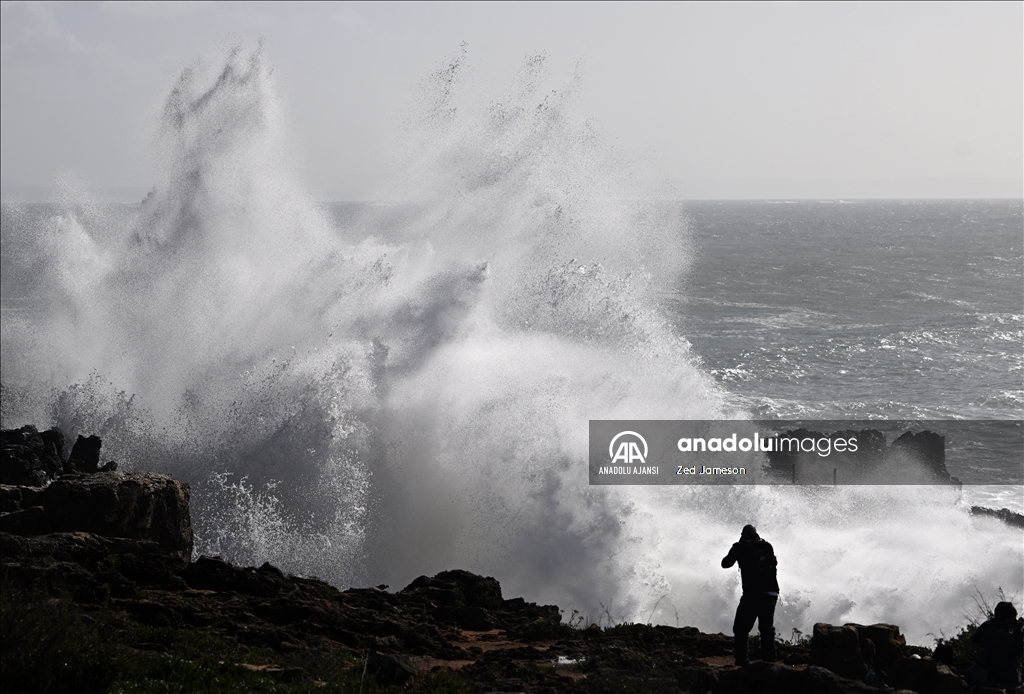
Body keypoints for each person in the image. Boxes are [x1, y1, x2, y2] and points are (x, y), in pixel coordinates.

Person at [722, 524, 779, 666]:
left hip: (752, 594)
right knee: (766, 629)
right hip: (771, 593)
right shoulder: (767, 546)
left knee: (741, 628)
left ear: (743, 534)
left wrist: (737, 549)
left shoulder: (739, 547)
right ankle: (769, 661)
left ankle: (742, 661)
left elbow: (725, 563)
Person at [970, 601, 1024, 692]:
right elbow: (1018, 650)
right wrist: (1018, 631)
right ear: (1006, 618)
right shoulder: (1000, 634)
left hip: (993, 678)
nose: (1015, 620)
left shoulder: (989, 627)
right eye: (1013, 618)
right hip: (1005, 681)